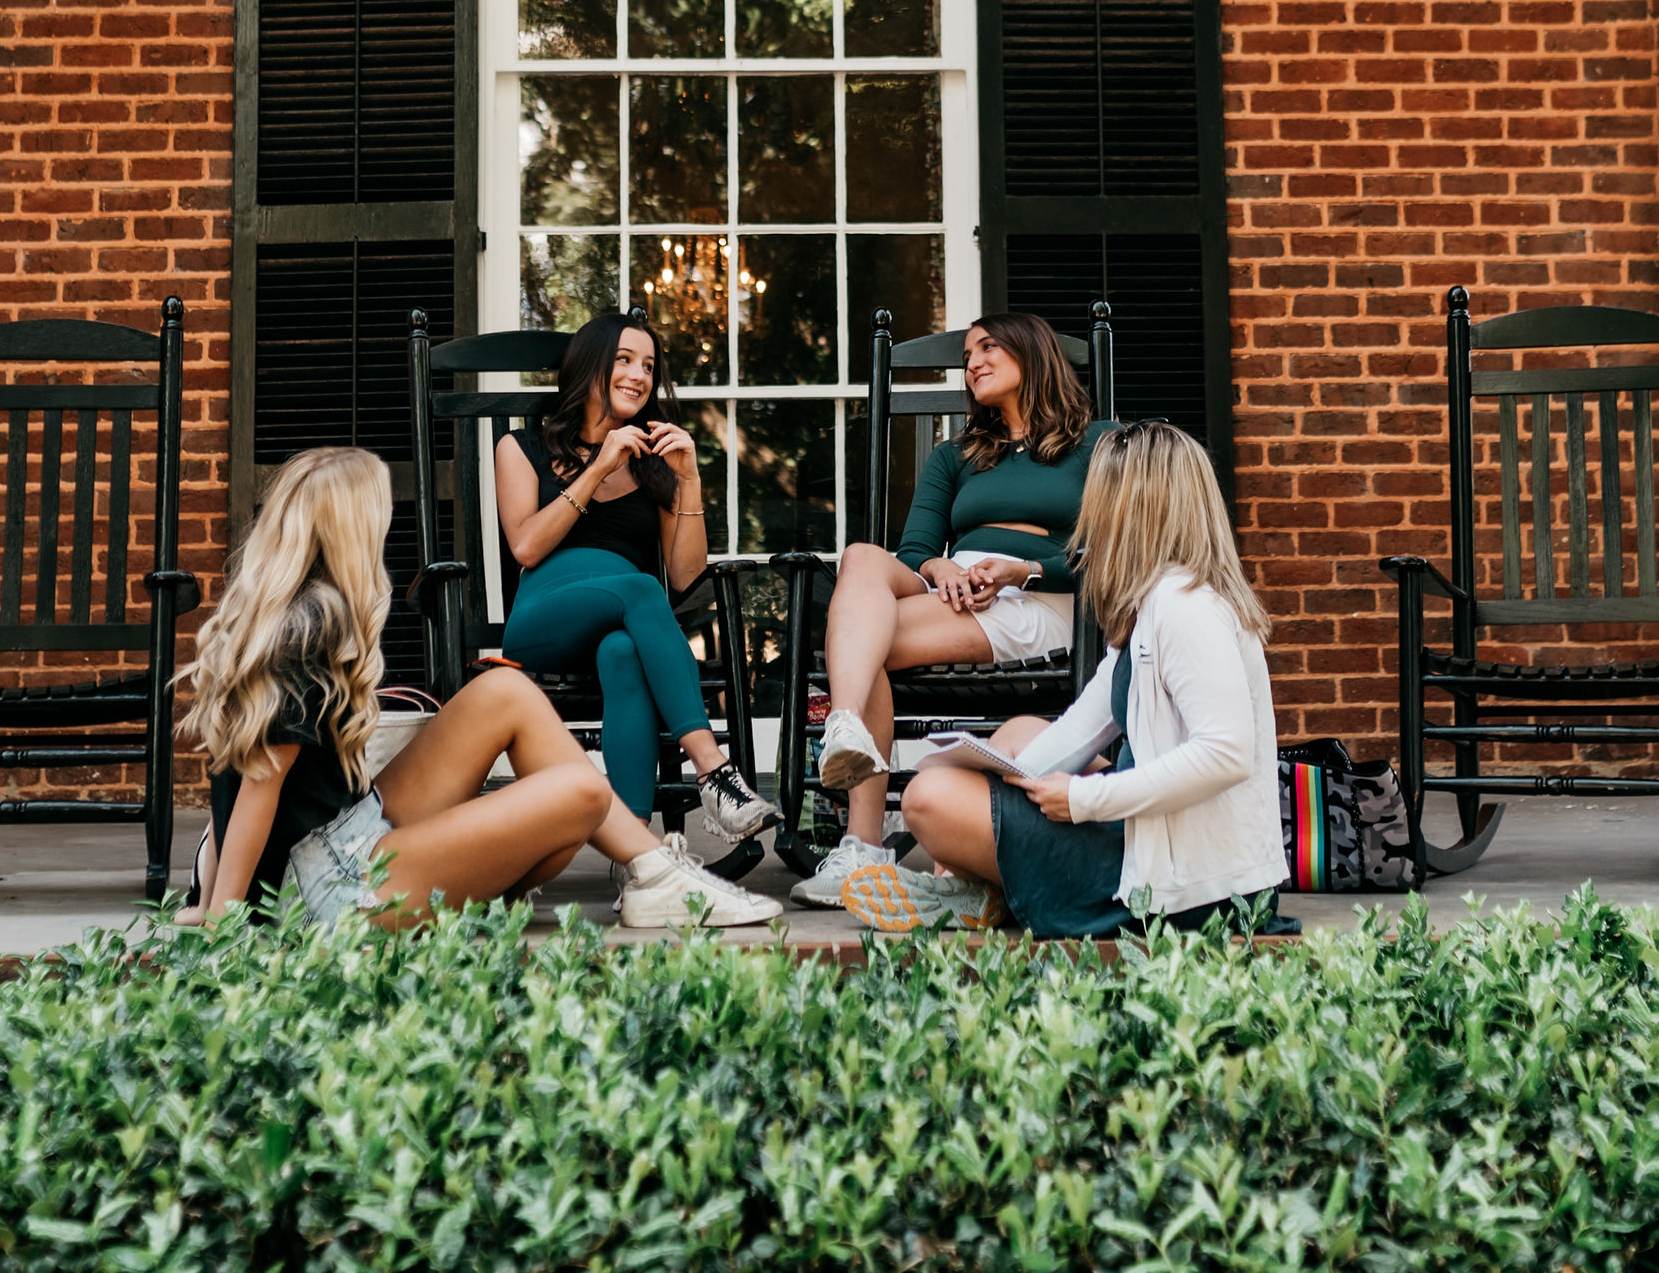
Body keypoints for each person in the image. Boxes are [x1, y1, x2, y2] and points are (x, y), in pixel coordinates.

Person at [183, 445, 779, 931]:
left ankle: (652, 875)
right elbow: (256, 790)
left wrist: (206, 886)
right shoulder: (311, 627)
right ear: (349, 529)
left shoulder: (292, 610)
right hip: (330, 884)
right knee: (579, 793)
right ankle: (653, 876)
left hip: (352, 828)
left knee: (507, 693)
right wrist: (220, 924)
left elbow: (231, 792)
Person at [852, 419, 1288, 938]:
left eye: (1100, 498)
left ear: (1135, 509)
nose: (1089, 518)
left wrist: (1083, 801)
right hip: (1153, 840)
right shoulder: (1152, 603)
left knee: (928, 798)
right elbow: (1078, 732)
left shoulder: (1185, 607)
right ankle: (989, 884)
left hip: (1193, 886)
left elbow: (1226, 753)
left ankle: (989, 886)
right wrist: (990, 769)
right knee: (1016, 737)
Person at [792, 310, 1111, 907]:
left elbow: (1120, 554)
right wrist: (941, 568)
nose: (972, 364)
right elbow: (914, 551)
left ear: (1033, 353)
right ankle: (847, 729)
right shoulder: (957, 454)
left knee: (865, 646)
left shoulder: (1099, 445)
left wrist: (1027, 568)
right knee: (862, 557)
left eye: (987, 349)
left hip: (1038, 595)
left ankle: (861, 842)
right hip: (954, 592)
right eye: (967, 356)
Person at [493, 311, 778, 846]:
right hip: (542, 623)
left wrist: (688, 480)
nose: (639, 375)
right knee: (641, 587)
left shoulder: (654, 464)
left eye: (648, 365)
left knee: (624, 652)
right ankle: (715, 773)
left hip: (623, 624)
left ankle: (635, 854)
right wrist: (598, 466)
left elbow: (687, 574)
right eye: (624, 360)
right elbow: (526, 545)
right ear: (589, 366)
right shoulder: (521, 448)